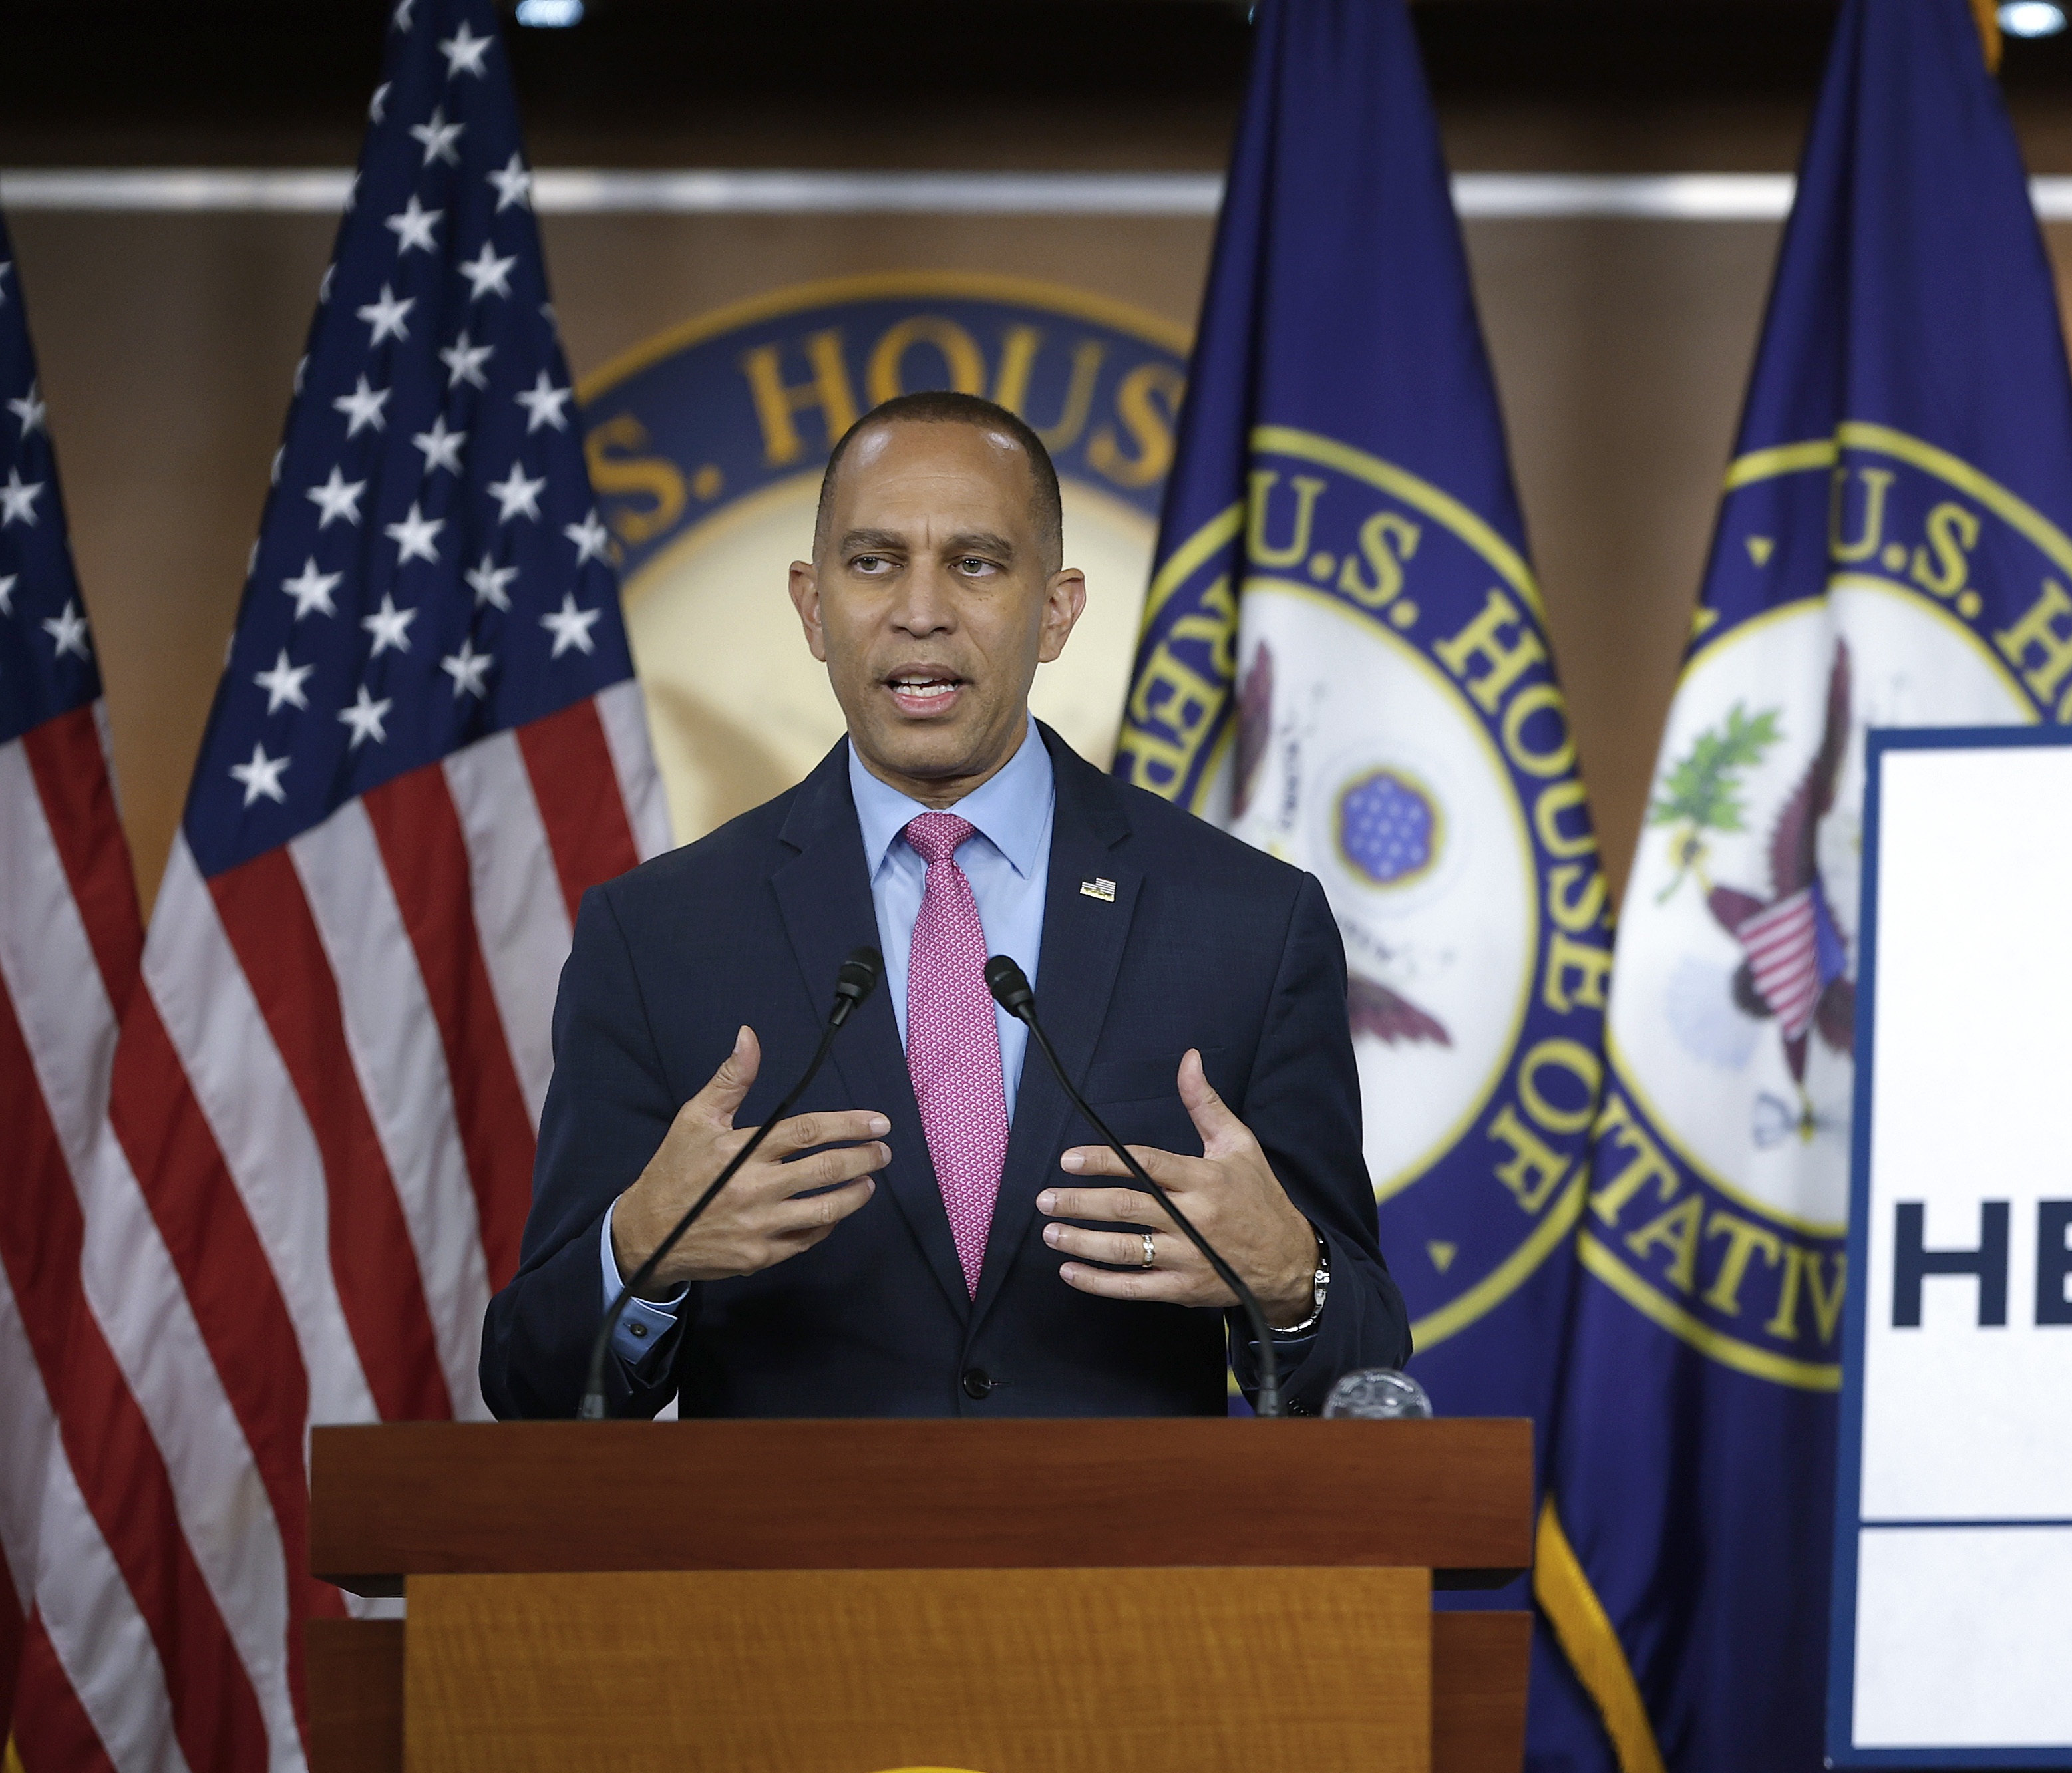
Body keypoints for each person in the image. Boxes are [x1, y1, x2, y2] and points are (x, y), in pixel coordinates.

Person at [480, 391, 1405, 1418]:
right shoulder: (657, 937)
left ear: (1054, 611)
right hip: (785, 1578)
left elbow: (1366, 1375)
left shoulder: (1246, 925)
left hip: (1126, 1573)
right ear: (811, 605)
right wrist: (636, 1258)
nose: (920, 608)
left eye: (975, 562)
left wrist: (1292, 1282)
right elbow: (532, 1386)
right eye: (874, 561)